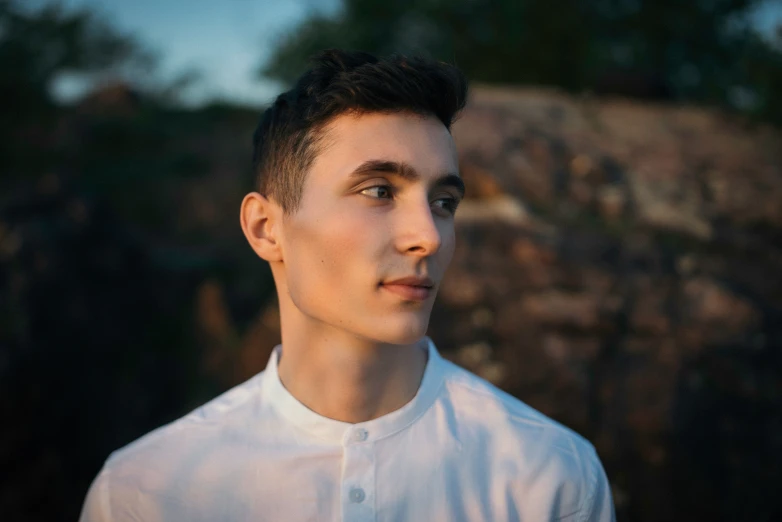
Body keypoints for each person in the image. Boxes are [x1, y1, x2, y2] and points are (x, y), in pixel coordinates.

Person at [79, 49, 615, 522]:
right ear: (267, 229)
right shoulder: (145, 494)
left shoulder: (550, 478)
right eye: (379, 190)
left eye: (444, 202)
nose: (428, 237)